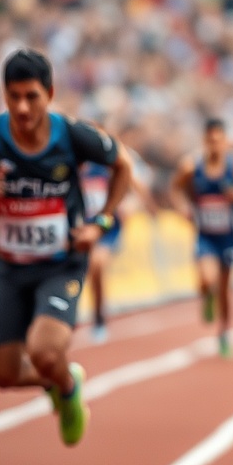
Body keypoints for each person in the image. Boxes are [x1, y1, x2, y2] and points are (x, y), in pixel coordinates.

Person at [0, 49, 132, 447]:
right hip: (10, 269)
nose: (22, 107)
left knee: (45, 352)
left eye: (31, 96)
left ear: (50, 93)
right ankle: (63, 381)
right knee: (5, 377)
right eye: (14, 97)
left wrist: (101, 222)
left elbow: (124, 166)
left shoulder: (73, 134)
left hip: (61, 265)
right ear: (4, 95)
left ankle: (64, 386)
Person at [170, 118, 233, 358]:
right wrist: (183, 208)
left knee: (224, 290)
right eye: (210, 141)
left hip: (228, 237)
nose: (214, 146)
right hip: (204, 236)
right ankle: (206, 296)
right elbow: (174, 189)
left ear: (226, 140)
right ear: (204, 141)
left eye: (219, 140)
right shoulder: (192, 166)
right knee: (206, 279)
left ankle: (224, 333)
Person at [80, 147, 157, 343]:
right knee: (88, 272)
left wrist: (142, 204)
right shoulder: (79, 164)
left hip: (107, 228)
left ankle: (98, 318)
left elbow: (134, 182)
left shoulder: (111, 162)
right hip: (84, 227)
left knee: (97, 265)